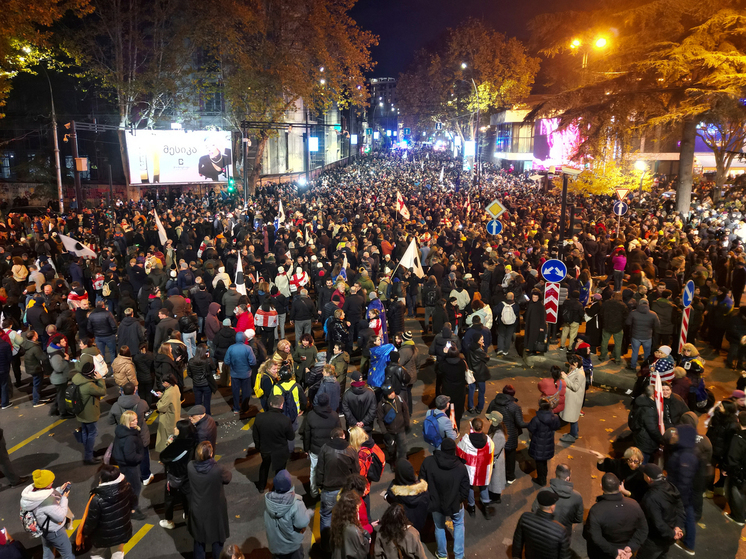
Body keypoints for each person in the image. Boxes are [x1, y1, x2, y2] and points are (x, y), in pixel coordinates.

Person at [419, 438, 470, 559]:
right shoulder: (460, 467)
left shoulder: (428, 462)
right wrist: (458, 500)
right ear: (454, 450)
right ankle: (459, 555)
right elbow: (465, 489)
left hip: (435, 503)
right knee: (458, 524)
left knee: (439, 526)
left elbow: (422, 483)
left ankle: (442, 554)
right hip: (455, 504)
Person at [583, 473, 648, 559]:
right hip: (627, 554)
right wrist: (630, 547)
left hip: (603, 553)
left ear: (601, 486)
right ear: (619, 487)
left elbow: (595, 536)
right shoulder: (634, 504)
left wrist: (614, 551)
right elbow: (643, 529)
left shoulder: (596, 510)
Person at [187, 441, 232, 559]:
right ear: (211, 454)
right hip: (215, 511)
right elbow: (228, 478)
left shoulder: (190, 466)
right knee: (217, 541)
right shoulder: (217, 470)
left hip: (198, 508)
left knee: (199, 540)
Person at [80, 465, 135, 559]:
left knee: (96, 553)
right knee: (118, 551)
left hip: (103, 535)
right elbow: (132, 503)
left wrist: (85, 532)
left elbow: (92, 520)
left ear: (102, 479)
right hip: (122, 530)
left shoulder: (97, 498)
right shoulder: (127, 487)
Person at [19, 469, 74, 559]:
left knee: (48, 550)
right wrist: (64, 498)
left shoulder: (32, 495)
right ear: (45, 485)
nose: (52, 482)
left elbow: (47, 494)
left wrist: (59, 490)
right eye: (50, 482)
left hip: (44, 529)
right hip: (55, 532)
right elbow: (60, 516)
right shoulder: (47, 502)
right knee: (67, 553)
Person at [637, 463, 685, 559]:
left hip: (655, 540)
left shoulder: (651, 497)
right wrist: (678, 527)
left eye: (644, 474)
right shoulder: (671, 486)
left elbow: (658, 523)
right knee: (662, 555)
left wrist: (672, 534)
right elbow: (680, 508)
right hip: (669, 536)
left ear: (649, 479)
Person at [317, 427, 359, 536]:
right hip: (346, 490)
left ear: (332, 437)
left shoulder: (325, 449)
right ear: (343, 436)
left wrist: (319, 485)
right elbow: (356, 472)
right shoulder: (351, 449)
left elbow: (320, 470)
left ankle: (326, 546)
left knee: (326, 516)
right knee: (348, 517)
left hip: (329, 489)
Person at [159, 419, 197, 530]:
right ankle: (187, 514)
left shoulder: (178, 444)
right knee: (187, 495)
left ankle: (169, 520)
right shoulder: (194, 438)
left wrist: (174, 440)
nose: (175, 429)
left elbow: (163, 457)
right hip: (189, 473)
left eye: (177, 428)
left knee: (169, 497)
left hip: (175, 475)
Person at [263, 469, 311, 559]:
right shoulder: (296, 503)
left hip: (276, 546)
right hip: (292, 547)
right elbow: (302, 523)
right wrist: (309, 513)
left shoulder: (269, 502)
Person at [253, 394, 295, 493]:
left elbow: (255, 435)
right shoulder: (285, 420)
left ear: (270, 404)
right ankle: (276, 488)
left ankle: (261, 486)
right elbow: (291, 437)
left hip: (265, 448)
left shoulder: (259, 417)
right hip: (280, 450)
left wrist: (258, 446)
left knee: (264, 466)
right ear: (281, 405)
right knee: (280, 470)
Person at [301, 392, 340, 498]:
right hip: (330, 449)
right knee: (329, 470)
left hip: (315, 449)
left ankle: (313, 491)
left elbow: (307, 434)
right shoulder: (334, 415)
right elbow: (338, 433)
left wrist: (306, 448)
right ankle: (327, 491)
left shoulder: (311, 415)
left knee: (313, 470)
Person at [486, 385, 528, 484]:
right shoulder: (515, 407)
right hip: (510, 433)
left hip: (495, 431)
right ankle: (510, 476)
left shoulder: (493, 402)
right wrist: (532, 423)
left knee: (495, 453)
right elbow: (520, 423)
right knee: (510, 455)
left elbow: (488, 416)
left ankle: (492, 473)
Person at [511, 491, 569, 559]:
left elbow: (517, 542)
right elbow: (564, 555)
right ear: (552, 507)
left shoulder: (525, 518)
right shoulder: (560, 530)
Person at [531, 464, 584, 538]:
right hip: (563, 533)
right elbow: (578, 518)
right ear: (568, 478)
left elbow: (534, 509)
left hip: (543, 530)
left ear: (555, 472)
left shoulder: (544, 491)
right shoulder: (577, 496)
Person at [457, 417, 495, 519]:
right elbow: (491, 455)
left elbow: (459, 452)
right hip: (483, 470)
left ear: (472, 427)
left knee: (470, 487)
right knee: (483, 486)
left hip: (470, 470)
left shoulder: (465, 441)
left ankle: (472, 507)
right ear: (482, 427)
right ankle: (486, 506)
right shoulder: (489, 441)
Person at [112, 410, 147, 520]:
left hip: (123, 464)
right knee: (135, 487)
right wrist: (141, 457)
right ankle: (133, 509)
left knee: (128, 486)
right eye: (133, 420)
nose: (136, 421)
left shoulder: (121, 431)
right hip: (130, 466)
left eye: (136, 419)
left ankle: (129, 505)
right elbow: (130, 456)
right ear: (127, 422)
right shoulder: (130, 438)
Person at [71, 361, 107, 464]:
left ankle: (88, 451)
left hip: (80, 411)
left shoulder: (77, 378)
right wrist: (100, 379)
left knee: (85, 431)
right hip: (89, 413)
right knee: (92, 433)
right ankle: (88, 456)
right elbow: (102, 391)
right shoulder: (89, 386)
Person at [384, 459, 429, 535]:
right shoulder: (423, 490)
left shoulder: (395, 492)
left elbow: (388, 498)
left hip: (404, 526)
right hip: (420, 524)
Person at [527, 397, 561, 486]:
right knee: (544, 463)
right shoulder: (555, 417)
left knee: (539, 463)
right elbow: (557, 427)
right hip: (548, 442)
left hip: (538, 443)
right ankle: (543, 478)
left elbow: (531, 428)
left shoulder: (536, 419)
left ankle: (541, 480)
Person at [329, 491, 370, 559]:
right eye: (356, 509)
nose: (357, 512)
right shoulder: (352, 530)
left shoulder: (337, 521)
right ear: (351, 511)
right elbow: (360, 553)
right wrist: (366, 540)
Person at [377, 382, 410, 465]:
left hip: (401, 429)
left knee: (403, 448)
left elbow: (405, 411)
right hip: (390, 431)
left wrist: (407, 424)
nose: (392, 394)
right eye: (389, 393)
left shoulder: (399, 399)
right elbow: (380, 420)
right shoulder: (381, 405)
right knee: (391, 450)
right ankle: (393, 463)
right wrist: (385, 433)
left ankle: (403, 464)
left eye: (393, 392)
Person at [224, 332, 256, 415]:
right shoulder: (248, 348)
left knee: (235, 392)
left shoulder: (231, 348)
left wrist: (232, 366)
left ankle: (236, 408)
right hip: (246, 374)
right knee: (246, 392)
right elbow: (253, 362)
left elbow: (226, 361)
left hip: (235, 374)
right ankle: (245, 408)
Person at [630, 385, 664, 464]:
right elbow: (652, 429)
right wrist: (661, 440)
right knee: (642, 463)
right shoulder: (649, 409)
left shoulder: (641, 402)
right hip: (646, 442)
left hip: (640, 438)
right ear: (653, 395)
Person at [725, 411, 746, 526]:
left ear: (738, 421)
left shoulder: (738, 438)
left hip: (740, 474)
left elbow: (732, 458)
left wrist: (728, 470)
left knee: (736, 493)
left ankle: (738, 517)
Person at [627, 299, 660, 370]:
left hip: (636, 335)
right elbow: (657, 325)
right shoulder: (653, 314)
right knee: (647, 352)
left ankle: (633, 366)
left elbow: (628, 323)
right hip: (647, 336)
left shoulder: (633, 313)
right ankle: (646, 367)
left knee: (635, 351)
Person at [559, 354, 585, 443]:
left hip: (574, 400)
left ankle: (573, 435)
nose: (570, 365)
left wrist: (565, 377)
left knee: (572, 418)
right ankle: (574, 432)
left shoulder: (580, 374)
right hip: (572, 399)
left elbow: (575, 387)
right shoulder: (575, 370)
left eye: (571, 364)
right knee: (573, 417)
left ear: (576, 363)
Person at [46, 336, 73, 417]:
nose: (65, 342)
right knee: (62, 396)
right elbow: (58, 368)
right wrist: (66, 360)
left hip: (58, 378)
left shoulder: (55, 350)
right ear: (57, 344)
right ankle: (63, 413)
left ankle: (54, 410)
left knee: (60, 394)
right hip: (59, 378)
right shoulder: (56, 355)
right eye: (63, 341)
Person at [155, 373, 182, 453]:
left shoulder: (168, 393)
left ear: (167, 382)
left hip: (168, 418)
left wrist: (159, 400)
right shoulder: (175, 387)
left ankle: (168, 454)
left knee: (167, 438)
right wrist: (162, 395)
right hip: (175, 414)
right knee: (173, 434)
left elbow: (161, 408)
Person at [188, 344, 217, 415]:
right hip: (206, 384)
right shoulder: (207, 360)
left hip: (196, 384)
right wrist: (209, 358)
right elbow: (213, 367)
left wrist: (195, 378)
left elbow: (189, 373)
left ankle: (198, 416)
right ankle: (207, 417)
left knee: (198, 402)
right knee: (206, 403)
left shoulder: (191, 361)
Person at [21, 330, 48, 407]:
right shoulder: (35, 348)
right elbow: (42, 357)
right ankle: (36, 401)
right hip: (35, 368)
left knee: (38, 383)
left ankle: (39, 397)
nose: (37, 335)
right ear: (34, 337)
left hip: (31, 367)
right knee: (37, 384)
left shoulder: (27, 344)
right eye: (36, 334)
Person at [465, 335, 490, 415]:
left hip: (471, 373)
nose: (483, 341)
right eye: (481, 339)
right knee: (481, 391)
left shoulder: (469, 348)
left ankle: (470, 407)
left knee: (471, 390)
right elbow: (487, 358)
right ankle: (479, 408)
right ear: (477, 341)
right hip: (480, 373)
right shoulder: (479, 350)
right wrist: (483, 348)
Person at [495, 291, 520, 356]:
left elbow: (496, 311)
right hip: (512, 323)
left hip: (502, 322)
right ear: (513, 297)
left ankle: (500, 349)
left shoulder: (502, 304)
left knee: (501, 335)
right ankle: (505, 351)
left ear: (506, 296)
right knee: (508, 336)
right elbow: (517, 314)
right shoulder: (515, 305)